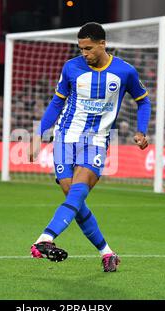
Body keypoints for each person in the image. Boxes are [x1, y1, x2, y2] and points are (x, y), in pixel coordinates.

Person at [28, 22, 151, 272]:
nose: (84, 53)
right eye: (81, 48)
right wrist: (38, 135)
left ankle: (46, 237)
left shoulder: (124, 71)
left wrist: (141, 130)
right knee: (76, 200)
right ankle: (107, 253)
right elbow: (56, 103)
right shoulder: (71, 67)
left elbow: (144, 102)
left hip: (95, 141)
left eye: (89, 48)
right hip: (64, 138)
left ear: (102, 44)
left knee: (78, 193)